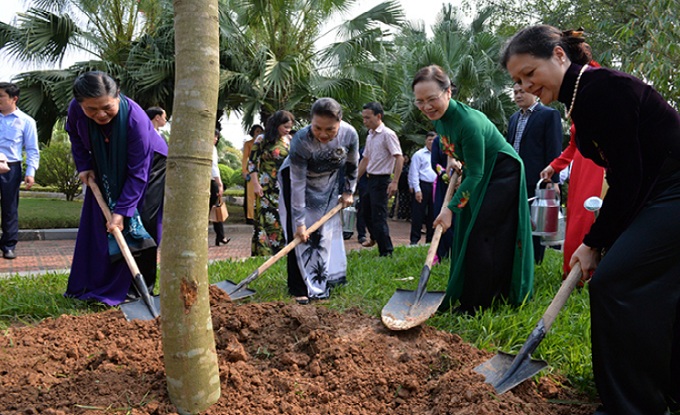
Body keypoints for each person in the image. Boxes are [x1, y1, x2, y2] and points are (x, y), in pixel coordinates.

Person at [502, 24, 680, 415]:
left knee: (615, 284)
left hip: (673, 189)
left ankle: (635, 406)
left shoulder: (602, 89)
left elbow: (630, 177)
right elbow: (627, 175)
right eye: (517, 80)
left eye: (531, 73)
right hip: (657, 193)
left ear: (559, 55)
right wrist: (605, 239)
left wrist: (595, 240)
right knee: (650, 288)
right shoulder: (582, 97)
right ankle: (663, 388)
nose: (527, 86)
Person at [412, 64, 534, 315]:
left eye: (432, 99)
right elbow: (455, 151)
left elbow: (476, 173)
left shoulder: (469, 121)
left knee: (482, 233)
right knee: (469, 231)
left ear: (448, 92)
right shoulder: (440, 120)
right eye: (420, 101)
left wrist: (450, 209)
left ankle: (477, 304)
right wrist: (455, 162)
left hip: (503, 173)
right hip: (478, 171)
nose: (426, 107)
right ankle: (473, 293)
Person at [64, 71, 167, 305]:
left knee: (141, 223)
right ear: (80, 105)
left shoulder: (136, 121)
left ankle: (138, 291)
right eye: (91, 109)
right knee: (100, 222)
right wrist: (84, 165)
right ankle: (98, 283)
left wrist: (122, 211)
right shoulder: (75, 111)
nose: (100, 114)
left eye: (107, 107)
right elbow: (76, 137)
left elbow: (137, 173)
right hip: (104, 162)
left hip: (151, 166)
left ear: (117, 96)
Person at [279, 98, 359, 303]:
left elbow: (352, 164)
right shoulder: (301, 140)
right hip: (298, 181)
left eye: (330, 130)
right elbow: (297, 184)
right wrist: (299, 223)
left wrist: (349, 191)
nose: (323, 135)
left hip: (328, 181)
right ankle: (298, 286)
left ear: (340, 123)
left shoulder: (349, 134)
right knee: (300, 235)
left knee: (324, 231)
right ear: (310, 122)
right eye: (317, 128)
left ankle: (325, 279)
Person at [539, 43, 606, 277]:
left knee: (592, 213)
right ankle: (574, 270)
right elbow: (574, 143)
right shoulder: (575, 91)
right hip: (582, 164)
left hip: (600, 163)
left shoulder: (596, 83)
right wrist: (554, 166)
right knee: (577, 215)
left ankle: (593, 271)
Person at [507, 83, 563, 263]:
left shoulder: (549, 115)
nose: (518, 96)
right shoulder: (514, 118)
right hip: (514, 177)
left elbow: (554, 147)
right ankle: (519, 258)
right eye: (515, 92)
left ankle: (536, 261)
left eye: (522, 91)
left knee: (536, 223)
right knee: (516, 220)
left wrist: (553, 180)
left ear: (533, 92)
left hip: (537, 179)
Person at [357, 102, 403, 256]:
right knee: (364, 211)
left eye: (368, 118)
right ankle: (375, 237)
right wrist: (354, 179)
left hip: (382, 180)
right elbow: (365, 159)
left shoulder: (388, 134)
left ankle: (386, 251)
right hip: (370, 180)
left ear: (378, 116)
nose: (365, 121)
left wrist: (394, 181)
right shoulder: (370, 135)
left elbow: (399, 157)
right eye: (363, 118)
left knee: (379, 216)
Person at [0, 82, 40, 260]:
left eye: (1, 96)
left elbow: (32, 149)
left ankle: (8, 245)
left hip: (11, 168)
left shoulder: (26, 121)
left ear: (14, 98)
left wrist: (30, 172)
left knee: (9, 208)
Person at [248, 111, 293, 256]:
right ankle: (265, 253)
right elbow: (252, 162)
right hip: (266, 187)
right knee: (267, 219)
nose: (288, 130)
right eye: (285, 127)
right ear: (277, 125)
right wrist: (255, 184)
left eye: (290, 127)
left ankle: (281, 251)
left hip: (284, 187)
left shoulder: (289, 140)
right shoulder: (263, 138)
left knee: (282, 219)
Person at [408, 133, 437, 245]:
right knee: (418, 214)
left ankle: (430, 239)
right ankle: (414, 240)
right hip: (422, 185)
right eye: (429, 140)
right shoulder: (419, 154)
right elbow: (413, 172)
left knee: (433, 213)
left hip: (434, 185)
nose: (431, 142)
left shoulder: (439, 154)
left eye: (434, 140)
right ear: (425, 141)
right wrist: (416, 189)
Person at [430, 131, 453, 262]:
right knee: (441, 216)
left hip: (462, 184)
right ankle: (441, 254)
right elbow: (435, 163)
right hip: (443, 185)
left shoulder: (462, 137)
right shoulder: (437, 141)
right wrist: (445, 174)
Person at [210, 128, 229, 246]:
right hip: (212, 183)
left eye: (217, 137)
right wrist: (219, 183)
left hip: (210, 182)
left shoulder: (212, 148)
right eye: (214, 136)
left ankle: (221, 236)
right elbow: (214, 167)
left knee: (216, 208)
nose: (216, 139)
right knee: (214, 208)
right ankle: (220, 236)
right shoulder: (211, 149)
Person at [242, 124, 262, 225]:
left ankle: (259, 216)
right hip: (251, 171)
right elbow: (245, 158)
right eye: (257, 131)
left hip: (262, 171)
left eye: (260, 131)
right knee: (250, 196)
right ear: (253, 132)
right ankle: (250, 217)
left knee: (260, 194)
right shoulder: (248, 144)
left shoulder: (263, 143)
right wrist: (244, 171)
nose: (259, 133)